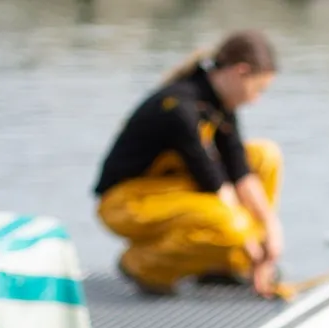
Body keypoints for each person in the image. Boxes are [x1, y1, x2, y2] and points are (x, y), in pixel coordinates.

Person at [94, 31, 284, 297]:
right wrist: (254, 248)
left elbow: (240, 172)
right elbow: (217, 186)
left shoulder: (219, 104)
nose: (256, 99)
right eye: (258, 88)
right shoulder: (179, 107)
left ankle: (223, 265)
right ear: (241, 72)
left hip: (168, 191)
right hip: (125, 202)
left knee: (265, 155)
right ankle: (141, 264)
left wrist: (271, 230)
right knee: (232, 225)